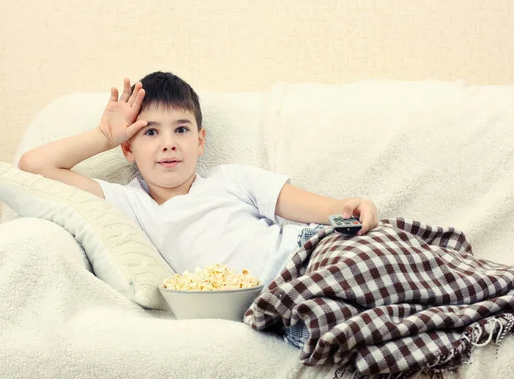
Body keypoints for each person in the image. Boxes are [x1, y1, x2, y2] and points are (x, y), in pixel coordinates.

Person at [19, 71, 378, 287]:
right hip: (278, 295)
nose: (169, 143)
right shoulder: (130, 204)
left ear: (200, 140)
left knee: (384, 253)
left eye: (181, 129)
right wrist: (103, 136)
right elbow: (33, 167)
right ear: (128, 150)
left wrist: (344, 209)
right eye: (150, 133)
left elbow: (308, 207)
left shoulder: (232, 180)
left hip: (308, 253)